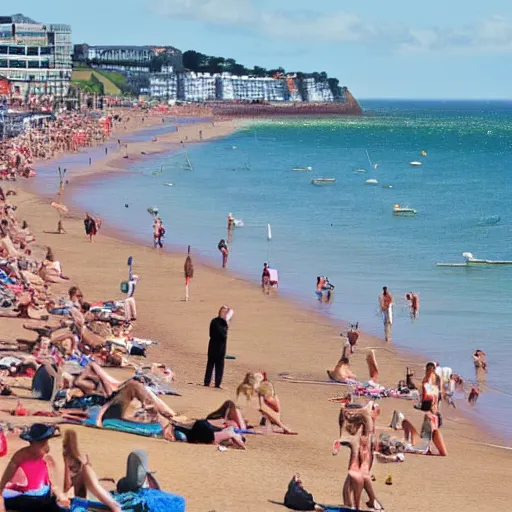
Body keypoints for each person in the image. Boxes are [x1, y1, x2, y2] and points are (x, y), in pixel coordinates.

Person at [0, 424, 62, 512]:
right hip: (26, 497)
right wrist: (1, 491)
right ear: (32, 443)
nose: (46, 447)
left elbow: (54, 482)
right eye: (42, 444)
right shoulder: (20, 456)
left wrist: (59, 494)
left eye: (46, 442)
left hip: (42, 495)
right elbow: (7, 475)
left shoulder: (47, 458)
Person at [61, 430, 121, 512]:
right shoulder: (82, 459)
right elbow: (93, 483)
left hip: (75, 500)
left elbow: (67, 485)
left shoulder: (66, 459)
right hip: (84, 496)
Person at [204, 306, 231, 388]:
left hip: (221, 348)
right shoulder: (215, 321)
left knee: (220, 366)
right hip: (213, 346)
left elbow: (224, 336)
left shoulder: (225, 322)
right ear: (220, 312)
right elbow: (220, 334)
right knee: (210, 364)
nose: (224, 313)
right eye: (223, 311)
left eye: (226, 312)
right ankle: (207, 382)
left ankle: (218, 383)